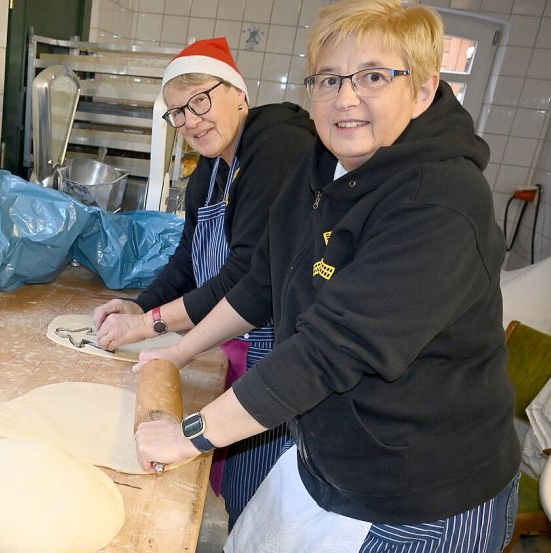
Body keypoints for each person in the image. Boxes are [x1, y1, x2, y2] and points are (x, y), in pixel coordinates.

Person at [134, 1, 521, 551]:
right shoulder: (319, 168)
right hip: (332, 454)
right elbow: (262, 283)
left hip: (421, 494)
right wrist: (176, 353)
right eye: (329, 79)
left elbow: (331, 350)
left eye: (373, 77)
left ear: (424, 89)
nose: (345, 98)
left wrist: (189, 435)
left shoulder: (441, 202)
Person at [91, 37, 315, 527]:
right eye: (177, 113)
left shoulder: (277, 145)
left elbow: (250, 274)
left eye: (200, 100)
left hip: (282, 347)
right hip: (235, 335)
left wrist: (153, 325)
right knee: (232, 483)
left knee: (264, 494)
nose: (190, 120)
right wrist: (139, 305)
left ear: (239, 93)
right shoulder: (210, 172)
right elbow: (189, 261)